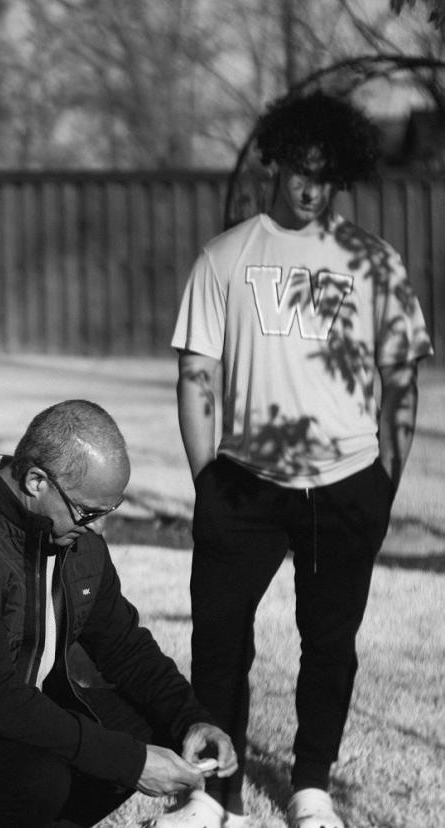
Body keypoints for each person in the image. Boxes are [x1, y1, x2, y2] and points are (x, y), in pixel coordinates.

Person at [169, 91, 434, 828]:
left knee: (330, 644)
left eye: (324, 173)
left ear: (340, 173)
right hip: (244, 484)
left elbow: (401, 380)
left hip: (347, 483)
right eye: (298, 170)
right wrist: (206, 479)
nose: (310, 187)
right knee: (220, 646)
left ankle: (311, 785)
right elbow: (194, 378)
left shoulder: (373, 263)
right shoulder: (226, 256)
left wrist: (385, 480)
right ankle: (213, 795)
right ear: (275, 165)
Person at [0, 400, 237, 828]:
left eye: (109, 512)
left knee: (151, 726)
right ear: (36, 481)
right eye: (89, 512)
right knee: (38, 779)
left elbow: (126, 648)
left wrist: (192, 718)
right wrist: (130, 761)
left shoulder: (76, 539)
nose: (98, 528)